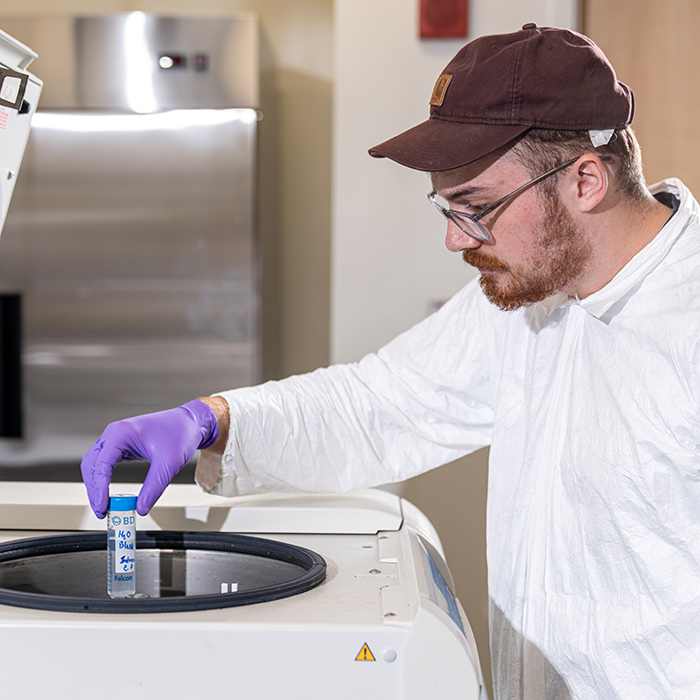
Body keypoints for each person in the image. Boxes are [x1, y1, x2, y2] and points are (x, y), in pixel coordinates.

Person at [81, 24, 700, 700]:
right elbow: (383, 404)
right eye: (445, 206)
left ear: (585, 180)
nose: (452, 240)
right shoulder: (534, 302)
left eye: (475, 208)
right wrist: (213, 419)